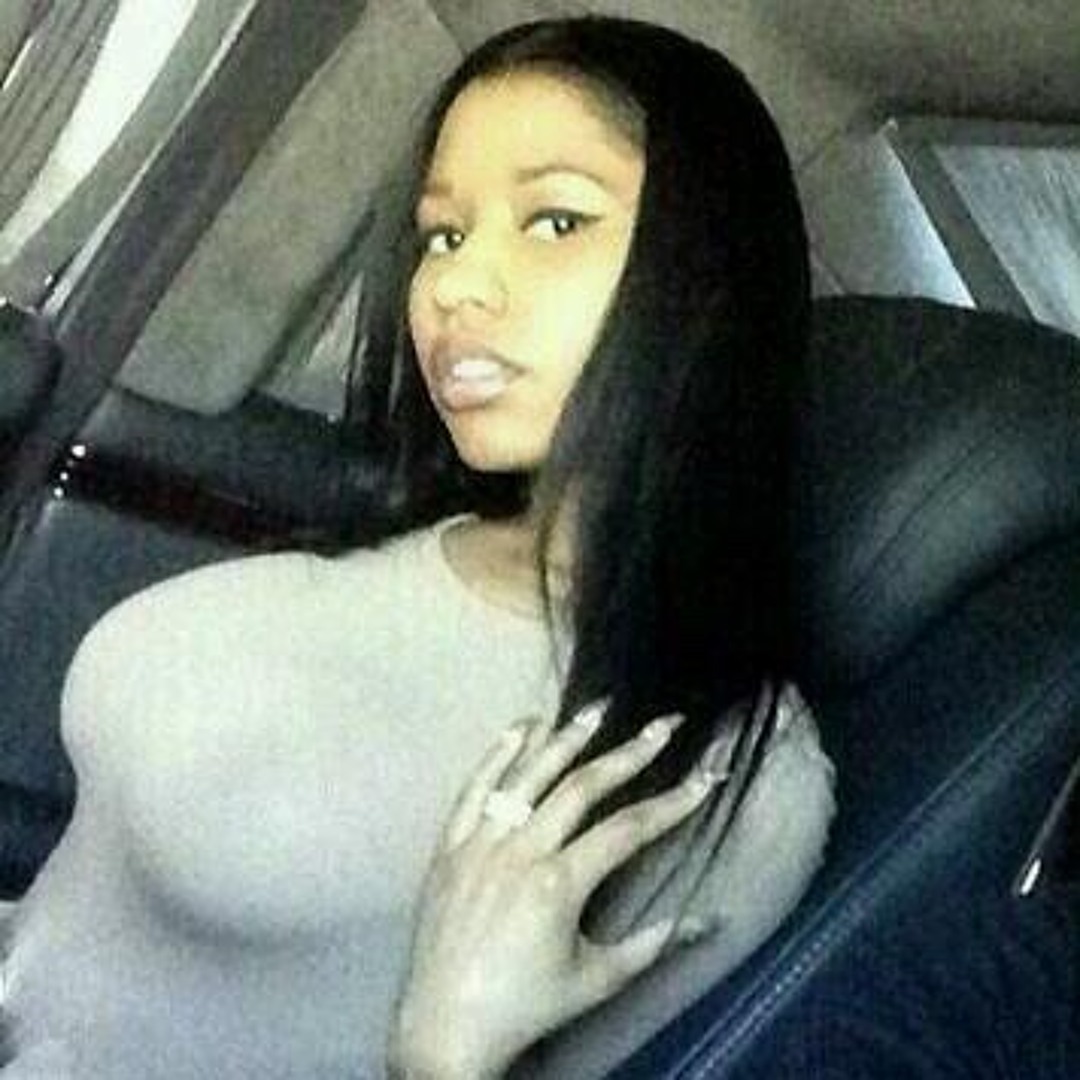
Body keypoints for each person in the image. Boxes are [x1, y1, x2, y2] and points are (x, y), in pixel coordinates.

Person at [0, 16, 836, 1079]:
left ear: (713, 279)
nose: (453, 285)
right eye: (444, 235)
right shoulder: (415, 538)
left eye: (555, 220)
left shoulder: (729, 777)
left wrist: (447, 1055)